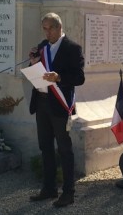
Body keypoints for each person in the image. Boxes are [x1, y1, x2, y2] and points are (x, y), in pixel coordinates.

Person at [28, 12, 85, 208]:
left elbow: (79, 77)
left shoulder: (72, 48)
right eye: (44, 28)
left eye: (49, 28)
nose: (46, 32)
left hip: (59, 105)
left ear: (59, 27)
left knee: (64, 149)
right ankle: (49, 188)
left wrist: (59, 78)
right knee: (45, 146)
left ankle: (68, 192)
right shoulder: (43, 47)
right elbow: (35, 70)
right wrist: (33, 63)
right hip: (42, 102)